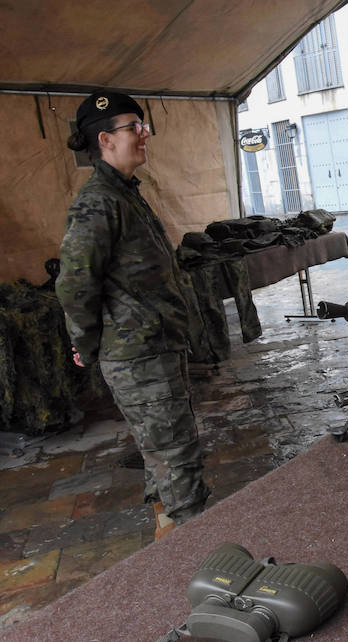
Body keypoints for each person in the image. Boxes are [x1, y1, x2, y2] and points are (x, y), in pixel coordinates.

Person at [56, 91, 210, 540]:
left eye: (143, 126)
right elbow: (75, 281)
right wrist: (83, 342)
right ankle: (198, 551)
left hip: (156, 346)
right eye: (134, 127)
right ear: (105, 139)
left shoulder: (124, 194)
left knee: (163, 451)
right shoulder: (98, 202)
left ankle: (169, 541)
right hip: (137, 353)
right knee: (177, 456)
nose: (144, 134)